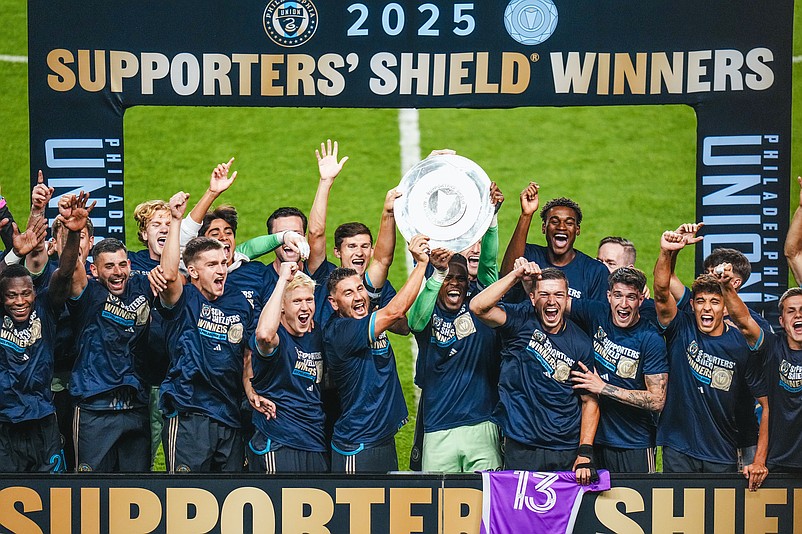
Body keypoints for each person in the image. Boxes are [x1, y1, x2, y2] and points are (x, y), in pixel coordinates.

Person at [653, 226, 767, 487]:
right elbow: (661, 292)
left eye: (714, 302)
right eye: (700, 301)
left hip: (722, 447)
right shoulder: (681, 327)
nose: (706, 308)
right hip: (678, 447)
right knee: (676, 511)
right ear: (692, 304)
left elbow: (766, 403)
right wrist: (666, 252)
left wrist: (759, 458)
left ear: (725, 306)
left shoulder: (742, 343)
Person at [470, 262, 599, 484]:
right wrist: (515, 275)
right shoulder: (520, 320)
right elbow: (478, 307)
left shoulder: (580, 343)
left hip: (564, 448)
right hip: (522, 444)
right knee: (520, 504)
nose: (551, 301)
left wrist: (584, 452)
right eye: (544, 294)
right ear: (532, 298)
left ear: (567, 299)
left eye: (558, 295)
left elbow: (589, 401)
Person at [154, 192, 256, 473]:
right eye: (212, 265)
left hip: (229, 415)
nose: (221, 269)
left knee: (231, 495)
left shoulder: (239, 302)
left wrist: (249, 391)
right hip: (190, 412)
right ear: (194, 271)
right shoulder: (184, 298)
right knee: (187, 494)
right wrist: (176, 220)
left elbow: (247, 354)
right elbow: (168, 274)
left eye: (223, 263)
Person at [323, 234, 430, 473]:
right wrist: (422, 265)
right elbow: (394, 312)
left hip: (381, 437)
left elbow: (402, 323)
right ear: (334, 302)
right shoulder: (342, 331)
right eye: (348, 293)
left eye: (360, 288)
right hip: (358, 444)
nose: (358, 297)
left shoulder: (364, 318)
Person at [0, 193, 90, 472]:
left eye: (25, 293)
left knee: (54, 492)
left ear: (34, 292)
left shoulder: (45, 307)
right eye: (12, 295)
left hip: (42, 418)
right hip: (4, 422)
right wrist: (15, 254)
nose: (20, 301)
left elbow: (64, 273)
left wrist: (73, 235)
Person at [68, 203, 155, 472]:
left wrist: (175, 220)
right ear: (94, 270)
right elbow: (71, 269)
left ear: (130, 265)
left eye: (122, 264)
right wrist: (74, 233)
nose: (117, 272)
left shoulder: (141, 287)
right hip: (95, 409)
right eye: (109, 266)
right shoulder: (88, 295)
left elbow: (171, 271)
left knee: (137, 489)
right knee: (91, 489)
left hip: (135, 406)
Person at [568, 267, 668, 473]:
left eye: (631, 297)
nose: (623, 304)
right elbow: (554, 303)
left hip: (635, 443)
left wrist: (603, 388)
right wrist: (527, 279)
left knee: (639, 495)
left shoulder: (651, 339)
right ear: (609, 296)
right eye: (618, 295)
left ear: (641, 300)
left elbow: (657, 400)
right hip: (595, 440)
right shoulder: (596, 313)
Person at [409, 251, 501, 472]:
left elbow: (489, 263)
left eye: (460, 278)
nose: (455, 283)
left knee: (485, 493)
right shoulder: (428, 311)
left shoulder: (479, 308)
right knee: (438, 495)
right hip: (438, 427)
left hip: (482, 424)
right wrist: (438, 273)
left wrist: (490, 229)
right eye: (448, 277)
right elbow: (415, 323)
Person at [247, 262, 327, 473]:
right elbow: (264, 335)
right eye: (297, 301)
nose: (305, 307)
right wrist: (282, 280)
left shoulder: (317, 333)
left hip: (314, 439)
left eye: (309, 300)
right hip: (279, 438)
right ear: (282, 306)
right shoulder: (276, 339)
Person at [500, 183, 609, 302]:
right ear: (544, 228)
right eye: (554, 222)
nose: (561, 227)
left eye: (569, 223)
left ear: (577, 230)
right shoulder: (529, 255)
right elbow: (505, 278)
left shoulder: (595, 271)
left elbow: (598, 312)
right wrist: (526, 215)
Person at [754, 287, 802, 475]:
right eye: (791, 311)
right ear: (781, 321)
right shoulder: (772, 347)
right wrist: (759, 460)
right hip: (778, 460)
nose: (798, 315)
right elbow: (743, 320)